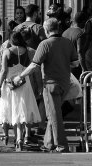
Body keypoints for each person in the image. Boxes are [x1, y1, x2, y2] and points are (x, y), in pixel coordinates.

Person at [12, 18, 79, 153]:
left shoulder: (45, 44)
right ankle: (48, 143)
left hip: (50, 84)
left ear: (47, 30)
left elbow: (34, 65)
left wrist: (20, 76)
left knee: (54, 116)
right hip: (65, 83)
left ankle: (61, 145)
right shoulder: (67, 43)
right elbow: (75, 64)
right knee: (53, 114)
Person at [0, 32, 41, 151]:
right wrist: (39, 86)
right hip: (24, 83)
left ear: (11, 40)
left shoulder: (7, 51)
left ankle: (10, 136)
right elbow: (34, 69)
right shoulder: (28, 51)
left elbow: (4, 71)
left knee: (9, 109)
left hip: (9, 84)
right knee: (21, 110)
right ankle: (21, 138)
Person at [62, 11, 88, 78]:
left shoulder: (65, 32)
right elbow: (80, 51)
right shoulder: (81, 33)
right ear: (83, 22)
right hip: (76, 68)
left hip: (64, 66)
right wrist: (84, 68)